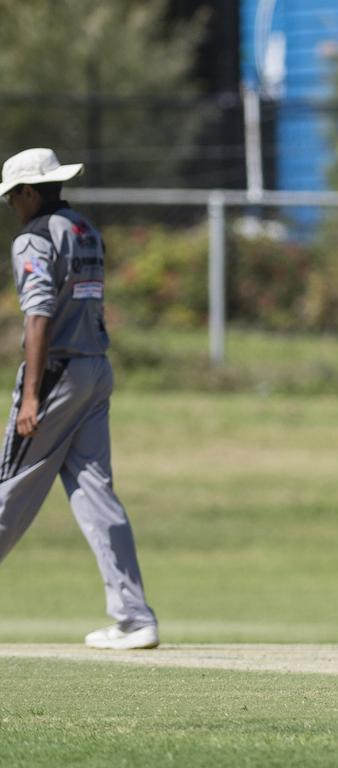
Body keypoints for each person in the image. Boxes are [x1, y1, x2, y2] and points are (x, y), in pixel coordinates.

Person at [0, 148, 158, 650]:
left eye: (11, 198)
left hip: (56, 374)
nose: (10, 208)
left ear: (28, 192)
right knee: (96, 494)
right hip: (95, 367)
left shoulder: (35, 237)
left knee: (9, 486)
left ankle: (133, 618)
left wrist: (30, 395)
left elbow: (39, 313)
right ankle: (135, 619)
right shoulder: (83, 229)